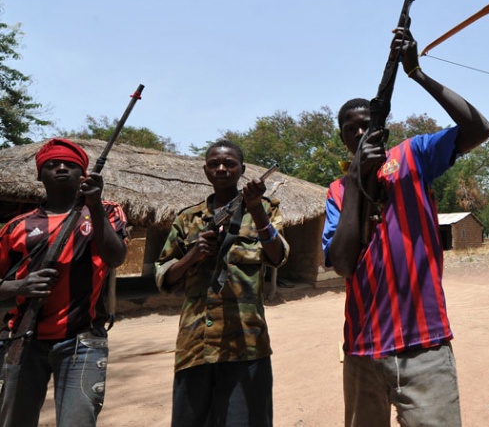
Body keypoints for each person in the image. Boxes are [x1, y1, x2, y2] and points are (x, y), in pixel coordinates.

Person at [323, 28, 489, 427]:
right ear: (343, 137)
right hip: (363, 349)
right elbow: (342, 263)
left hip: (425, 344)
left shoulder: (413, 155)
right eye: (351, 129)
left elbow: (479, 130)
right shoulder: (338, 190)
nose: (360, 133)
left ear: (383, 128)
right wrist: (356, 180)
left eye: (367, 125)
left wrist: (417, 73)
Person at [155, 139, 288, 427]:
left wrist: (256, 209)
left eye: (229, 163)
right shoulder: (188, 218)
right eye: (214, 163)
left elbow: (278, 256)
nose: (221, 168)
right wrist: (192, 256)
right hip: (195, 346)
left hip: (247, 347)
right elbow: (164, 276)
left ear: (242, 170)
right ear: (205, 170)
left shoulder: (265, 210)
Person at [0, 138, 128, 427]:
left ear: (83, 174)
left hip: (82, 340)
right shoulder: (17, 227)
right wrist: (18, 286)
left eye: (70, 165)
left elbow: (116, 257)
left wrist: (94, 206)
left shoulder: (107, 211)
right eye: (52, 164)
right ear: (39, 174)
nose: (61, 168)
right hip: (24, 339)